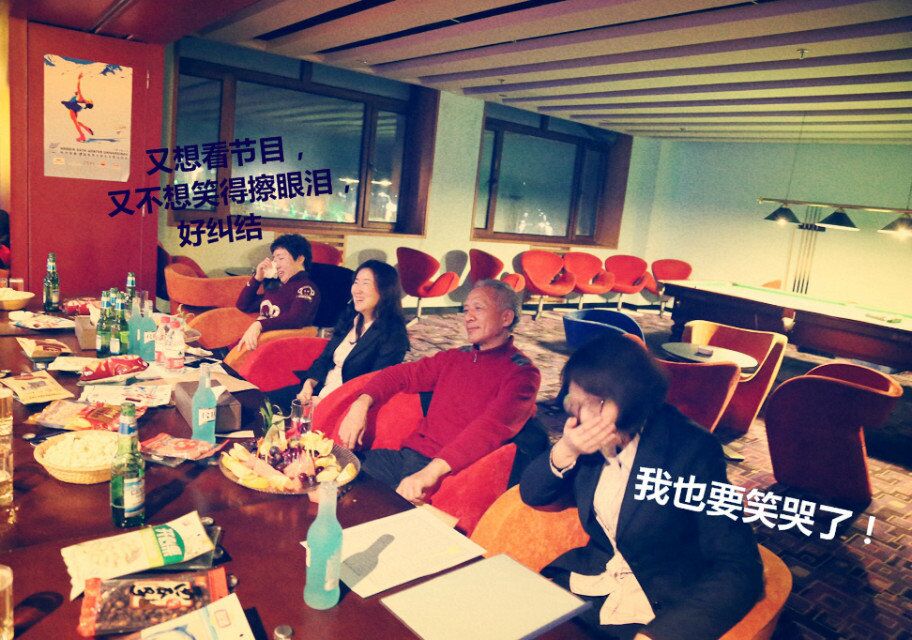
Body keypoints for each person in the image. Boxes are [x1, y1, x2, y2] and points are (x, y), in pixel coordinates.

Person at [520, 332, 762, 640]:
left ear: (632, 397)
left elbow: (740, 566)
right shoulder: (587, 438)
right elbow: (533, 493)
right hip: (594, 578)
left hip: (658, 601)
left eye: (597, 403)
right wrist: (566, 449)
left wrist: (662, 635)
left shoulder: (692, 449)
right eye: (575, 403)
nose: (583, 416)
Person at [338, 279, 541, 503]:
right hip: (408, 458)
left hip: (448, 475)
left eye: (478, 308)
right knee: (334, 471)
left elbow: (490, 429)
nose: (468, 317)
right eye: (466, 310)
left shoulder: (522, 374)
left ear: (506, 318)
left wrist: (430, 473)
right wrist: (361, 404)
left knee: (369, 508)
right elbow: (399, 375)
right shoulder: (456, 357)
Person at [267, 260, 410, 411]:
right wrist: (309, 384)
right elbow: (325, 358)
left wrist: (326, 402)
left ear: (385, 290)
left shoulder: (394, 335)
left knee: (271, 415)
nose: (357, 290)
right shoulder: (351, 318)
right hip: (317, 391)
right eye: (356, 282)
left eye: (365, 283)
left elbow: (374, 387)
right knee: (259, 402)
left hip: (344, 406)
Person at [236, 234, 320, 350]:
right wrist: (257, 278)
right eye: (274, 260)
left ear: (300, 259)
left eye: (281, 259)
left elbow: (296, 319)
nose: (276, 265)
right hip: (255, 346)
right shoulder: (275, 288)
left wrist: (259, 325)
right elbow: (243, 305)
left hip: (279, 349)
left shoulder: (306, 288)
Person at [61, 72, 94, 143]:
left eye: (90, 100)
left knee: (75, 123)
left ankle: (82, 136)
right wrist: (76, 94)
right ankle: (86, 128)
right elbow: (77, 96)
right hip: (75, 108)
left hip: (72, 108)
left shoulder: (82, 98)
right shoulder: (83, 101)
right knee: (76, 122)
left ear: (88, 102)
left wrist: (79, 79)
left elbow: (78, 88)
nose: (89, 99)